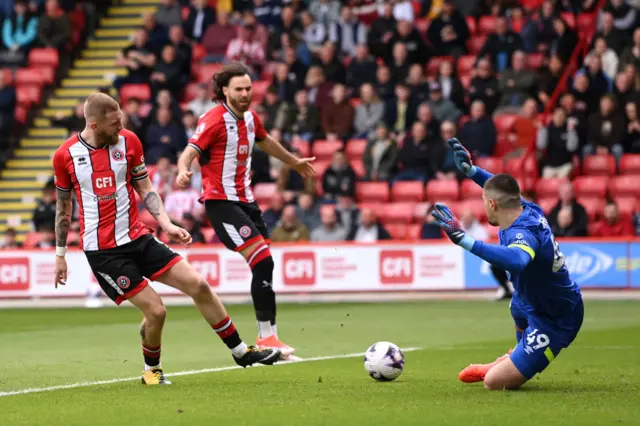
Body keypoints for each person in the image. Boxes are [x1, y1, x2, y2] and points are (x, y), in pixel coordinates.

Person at [53, 93, 281, 386]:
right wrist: (60, 255)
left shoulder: (128, 141)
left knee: (198, 284)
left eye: (121, 119)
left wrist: (166, 223)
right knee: (157, 311)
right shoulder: (65, 155)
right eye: (114, 123)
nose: (121, 126)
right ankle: (152, 370)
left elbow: (144, 185)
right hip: (105, 252)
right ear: (94, 125)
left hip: (138, 237)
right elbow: (63, 207)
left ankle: (241, 352)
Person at [176, 63, 315, 358]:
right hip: (221, 203)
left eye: (248, 89)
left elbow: (265, 141)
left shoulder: (251, 119)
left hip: (247, 202)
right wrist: (182, 169)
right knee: (262, 259)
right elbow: (190, 150)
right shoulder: (213, 120)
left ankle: (270, 339)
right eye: (239, 89)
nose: (244, 94)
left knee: (265, 265)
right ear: (224, 91)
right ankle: (266, 338)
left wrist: (293, 161)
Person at [431, 137, 583, 390]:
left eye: (484, 202)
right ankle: (518, 355)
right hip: (535, 300)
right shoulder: (527, 208)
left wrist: (465, 240)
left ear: (492, 204)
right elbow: (504, 191)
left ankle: (513, 364)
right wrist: (472, 171)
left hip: (556, 318)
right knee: (517, 306)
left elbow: (518, 260)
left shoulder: (522, 233)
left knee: (493, 383)